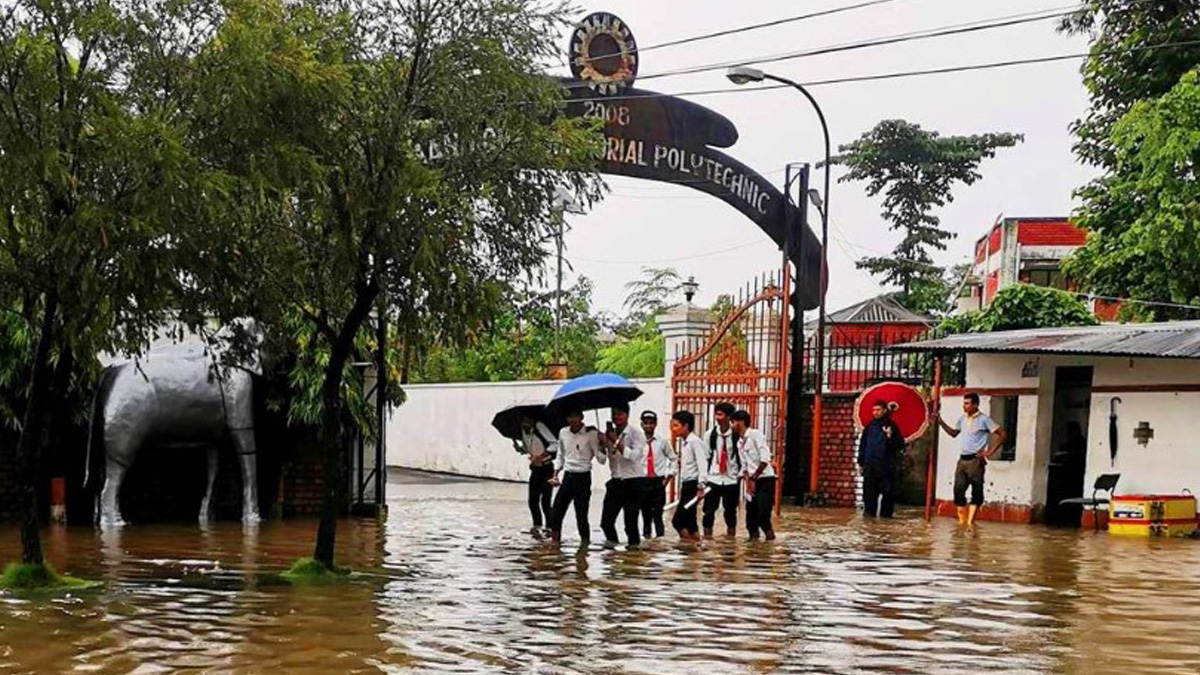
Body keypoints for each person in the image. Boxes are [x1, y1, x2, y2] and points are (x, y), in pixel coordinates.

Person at [938, 392, 1007, 526]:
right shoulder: (962, 419)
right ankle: (962, 522)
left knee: (976, 490)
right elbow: (954, 433)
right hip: (962, 459)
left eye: (967, 404)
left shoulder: (984, 419)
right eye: (964, 403)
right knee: (958, 490)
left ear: (975, 405)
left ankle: (970, 523)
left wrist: (990, 451)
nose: (964, 406)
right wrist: (941, 422)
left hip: (976, 460)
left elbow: (1002, 434)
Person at [549, 409, 605, 545]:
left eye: (575, 416)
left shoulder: (591, 434)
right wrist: (555, 474)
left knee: (581, 515)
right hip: (568, 476)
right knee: (556, 512)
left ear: (582, 417)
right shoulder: (563, 432)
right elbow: (560, 455)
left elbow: (602, 460)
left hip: (583, 478)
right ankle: (555, 543)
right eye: (570, 416)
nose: (573, 420)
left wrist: (602, 443)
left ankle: (584, 546)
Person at [599, 403, 647, 549]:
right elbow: (602, 459)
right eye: (614, 414)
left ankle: (633, 558)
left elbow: (633, 456)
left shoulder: (636, 434)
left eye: (620, 414)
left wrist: (615, 441)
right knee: (606, 522)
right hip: (615, 482)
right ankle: (612, 552)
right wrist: (601, 444)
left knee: (630, 523)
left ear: (627, 415)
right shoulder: (609, 434)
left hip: (633, 482)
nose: (617, 417)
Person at [730, 409, 776, 540]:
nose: (732, 425)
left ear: (741, 422)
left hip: (765, 480)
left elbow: (765, 458)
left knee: (763, 516)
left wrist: (754, 477)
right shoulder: (740, 442)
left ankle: (770, 542)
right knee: (751, 519)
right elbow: (744, 465)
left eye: (733, 422)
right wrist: (748, 483)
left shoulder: (756, 435)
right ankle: (753, 547)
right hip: (751, 481)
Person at [857, 400, 904, 518]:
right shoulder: (869, 427)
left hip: (886, 467)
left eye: (878, 410)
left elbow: (899, 446)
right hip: (870, 466)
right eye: (873, 410)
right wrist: (861, 463)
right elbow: (863, 445)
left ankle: (885, 520)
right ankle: (869, 519)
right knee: (869, 496)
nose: (875, 413)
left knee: (888, 495)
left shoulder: (892, 426)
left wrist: (889, 436)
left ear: (884, 410)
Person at [702, 402, 741, 538]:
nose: (717, 417)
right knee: (708, 512)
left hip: (731, 479)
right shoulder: (710, 435)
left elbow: (741, 456)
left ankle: (731, 539)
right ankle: (707, 538)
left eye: (720, 414)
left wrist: (740, 476)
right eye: (716, 414)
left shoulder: (736, 435)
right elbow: (705, 456)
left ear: (729, 417)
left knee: (730, 512)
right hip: (713, 478)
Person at [670, 410, 708, 541]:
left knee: (677, 521)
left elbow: (702, 464)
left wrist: (701, 486)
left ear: (685, 426)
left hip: (693, 485)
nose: (673, 429)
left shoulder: (694, 442)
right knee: (690, 523)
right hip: (686, 485)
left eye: (676, 425)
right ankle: (695, 552)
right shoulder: (686, 442)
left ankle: (690, 548)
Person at [515, 414, 557, 532]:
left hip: (546, 467)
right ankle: (537, 526)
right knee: (533, 501)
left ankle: (550, 527)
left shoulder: (540, 427)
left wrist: (541, 457)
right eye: (524, 421)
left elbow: (555, 444)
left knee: (545, 502)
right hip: (535, 468)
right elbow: (530, 448)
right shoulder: (522, 432)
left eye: (528, 421)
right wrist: (522, 449)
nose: (526, 424)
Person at [640, 411, 675, 539]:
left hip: (658, 482)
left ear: (655, 424)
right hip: (642, 482)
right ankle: (647, 539)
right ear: (642, 424)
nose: (648, 426)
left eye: (651, 423)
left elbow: (673, 458)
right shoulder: (637, 441)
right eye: (646, 423)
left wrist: (669, 477)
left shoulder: (662, 441)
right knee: (645, 514)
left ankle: (660, 540)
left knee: (658, 514)